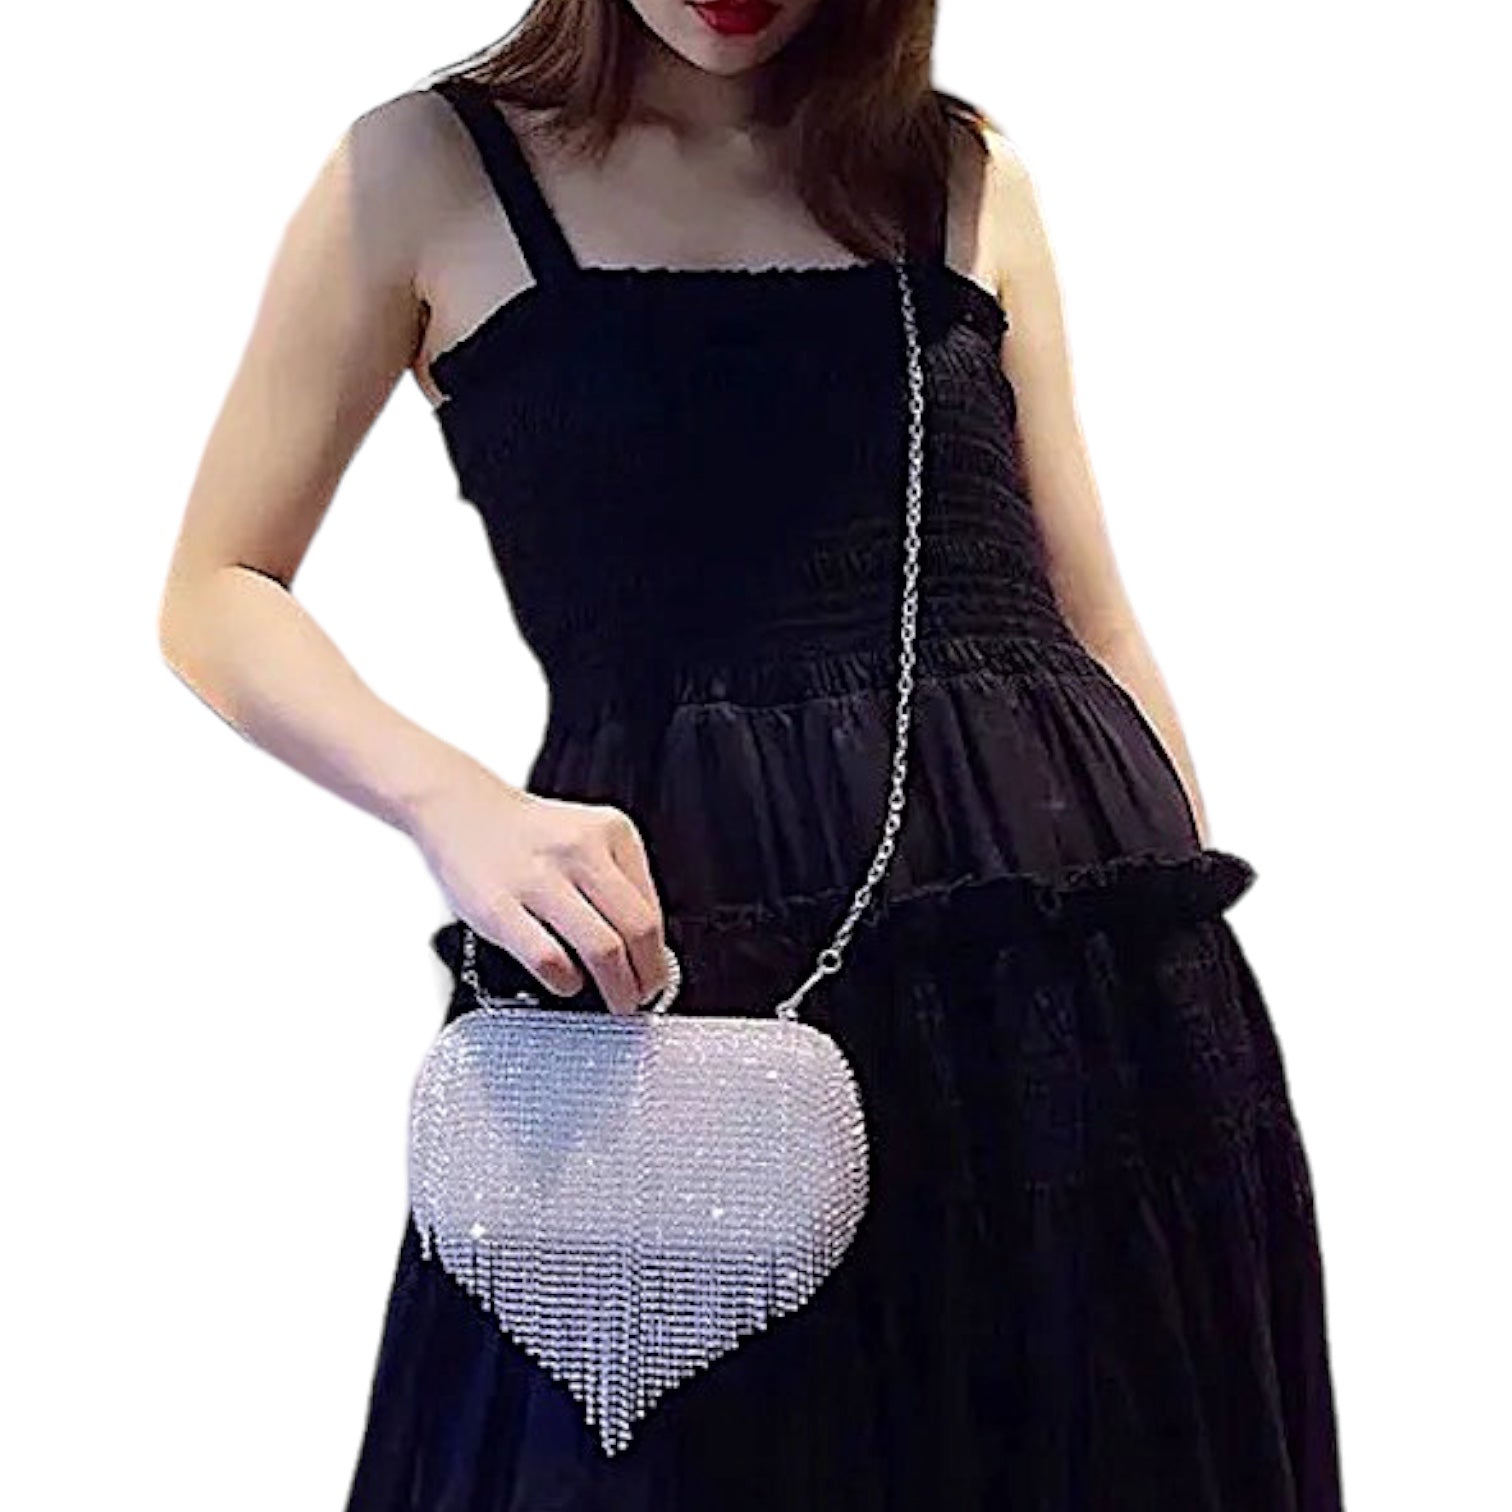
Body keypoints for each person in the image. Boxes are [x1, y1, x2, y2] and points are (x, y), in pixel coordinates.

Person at [158, 1, 1345, 1507]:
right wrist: (450, 805)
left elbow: (1091, 616)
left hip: (1059, 968)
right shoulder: (428, 170)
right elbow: (216, 589)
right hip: (682, 951)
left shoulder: (963, 173)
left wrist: (1172, 976)